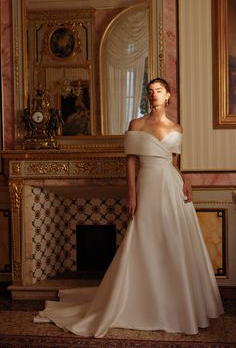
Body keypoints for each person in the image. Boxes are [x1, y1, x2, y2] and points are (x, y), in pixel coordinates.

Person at [35, 77, 224, 337]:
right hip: (147, 184)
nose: (154, 95)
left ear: (168, 95)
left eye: (159, 91)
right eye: (150, 91)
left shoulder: (176, 127)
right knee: (144, 239)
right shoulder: (137, 124)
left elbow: (173, 163)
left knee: (173, 241)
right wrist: (132, 194)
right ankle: (140, 301)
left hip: (171, 186)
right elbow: (131, 163)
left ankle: (175, 305)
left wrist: (185, 179)